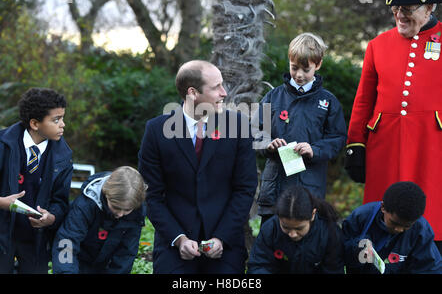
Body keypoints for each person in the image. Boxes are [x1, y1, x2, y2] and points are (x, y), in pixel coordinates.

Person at [344, 0, 442, 252]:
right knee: (379, 221)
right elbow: (363, 101)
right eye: (396, 9)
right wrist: (355, 145)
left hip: (431, 146)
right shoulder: (377, 45)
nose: (399, 15)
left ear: (430, 8)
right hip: (383, 148)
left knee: (432, 219)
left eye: (408, 10)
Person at [138, 60, 258, 274]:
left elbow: (245, 188)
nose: (224, 93)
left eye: (223, 85)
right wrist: (179, 239)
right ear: (192, 93)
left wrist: (221, 237)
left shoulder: (238, 126)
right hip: (174, 244)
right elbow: (152, 195)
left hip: (226, 243)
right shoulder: (156, 131)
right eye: (216, 87)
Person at [254, 33, 346, 225]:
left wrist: (315, 149)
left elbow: (337, 138)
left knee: (305, 243)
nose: (299, 75)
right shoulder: (273, 97)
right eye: (294, 68)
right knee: (271, 244)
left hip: (309, 187)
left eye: (306, 69)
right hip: (275, 189)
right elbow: (255, 131)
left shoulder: (328, 102)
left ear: (318, 64)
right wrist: (268, 144)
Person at [0, 87, 73, 273]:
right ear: (35, 124)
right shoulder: (1, 146)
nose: (63, 125)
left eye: (62, 118)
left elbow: (60, 201)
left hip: (36, 241)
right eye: (56, 120)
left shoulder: (64, 157)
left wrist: (51, 217)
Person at [51, 166, 146, 274]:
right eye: (116, 207)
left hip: (105, 265)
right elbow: (67, 241)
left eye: (127, 210)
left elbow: (126, 254)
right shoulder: (85, 205)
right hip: (79, 261)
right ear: (107, 195)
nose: (120, 214)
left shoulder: (136, 213)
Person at [343, 181, 442, 274]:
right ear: (383, 207)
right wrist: (356, 249)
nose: (398, 229)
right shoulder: (361, 217)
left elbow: (431, 268)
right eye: (394, 223)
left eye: (406, 226)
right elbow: (338, 255)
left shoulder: (421, 230)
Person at [247, 184, 344, 274]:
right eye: (286, 227)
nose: (292, 234)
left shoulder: (329, 233)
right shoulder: (270, 229)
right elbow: (258, 266)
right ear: (278, 217)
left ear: (313, 215)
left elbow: (334, 270)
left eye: (299, 228)